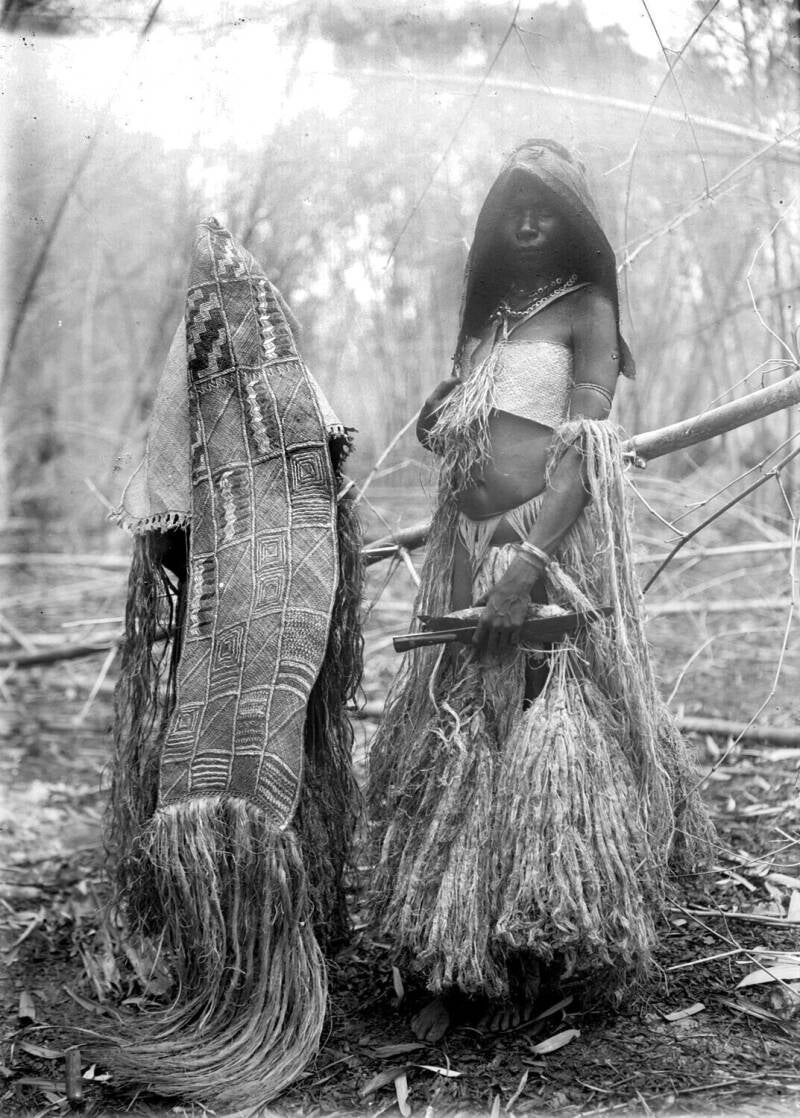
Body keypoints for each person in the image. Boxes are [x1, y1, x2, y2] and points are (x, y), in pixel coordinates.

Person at [368, 140, 713, 1040]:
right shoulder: (488, 318)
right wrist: (440, 417)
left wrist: (527, 564)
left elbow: (584, 449)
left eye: (546, 210)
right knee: (458, 739)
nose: (528, 224)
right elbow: (453, 433)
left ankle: (545, 945)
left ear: (573, 223)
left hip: (536, 548)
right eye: (513, 210)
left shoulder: (587, 309)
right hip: (461, 544)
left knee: (538, 741)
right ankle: (452, 949)